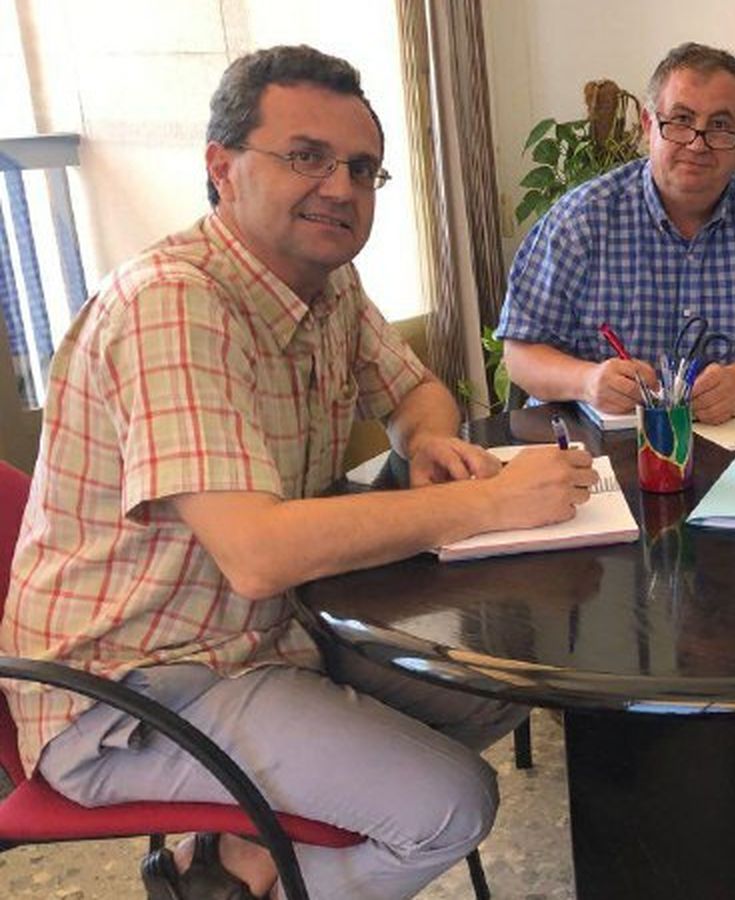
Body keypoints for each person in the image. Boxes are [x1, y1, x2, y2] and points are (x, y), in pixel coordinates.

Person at [0, 45, 598, 900]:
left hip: (261, 637)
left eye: (361, 167)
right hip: (130, 685)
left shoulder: (327, 284)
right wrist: (480, 503)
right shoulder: (173, 306)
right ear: (222, 167)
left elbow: (418, 390)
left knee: (498, 685)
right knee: (450, 806)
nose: (342, 188)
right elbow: (259, 555)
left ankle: (231, 858)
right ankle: (245, 883)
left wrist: (426, 440)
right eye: (306, 157)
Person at [497, 42, 735, 425]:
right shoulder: (582, 216)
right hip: (599, 450)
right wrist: (587, 380)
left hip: (731, 441)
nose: (697, 143)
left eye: (719, 126)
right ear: (649, 125)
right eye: (681, 120)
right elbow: (520, 353)